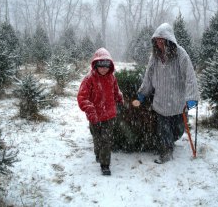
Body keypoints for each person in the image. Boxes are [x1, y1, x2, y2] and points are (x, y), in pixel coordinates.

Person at [133, 23, 199, 164]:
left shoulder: (181, 54)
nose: (159, 43)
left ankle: (171, 142)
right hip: (161, 102)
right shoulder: (155, 57)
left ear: (169, 40)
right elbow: (148, 76)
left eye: (162, 39)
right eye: (157, 40)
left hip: (177, 102)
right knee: (163, 131)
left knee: (177, 131)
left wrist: (192, 97)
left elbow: (190, 76)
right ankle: (165, 152)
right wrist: (143, 93)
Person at [77, 47, 124, 175]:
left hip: (109, 115)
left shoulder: (111, 78)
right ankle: (98, 153)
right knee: (97, 138)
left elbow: (116, 91)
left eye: (106, 66)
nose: (104, 69)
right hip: (95, 116)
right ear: (95, 65)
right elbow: (82, 97)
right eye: (101, 66)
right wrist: (90, 109)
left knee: (106, 140)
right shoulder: (89, 79)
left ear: (110, 66)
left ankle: (105, 164)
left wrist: (119, 98)